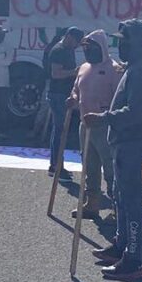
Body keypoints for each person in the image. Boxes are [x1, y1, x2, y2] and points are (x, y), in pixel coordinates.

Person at [84, 19, 142, 281]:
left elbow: (136, 112)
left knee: (131, 202)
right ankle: (121, 245)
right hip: (124, 143)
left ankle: (133, 258)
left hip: (134, 143)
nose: (121, 46)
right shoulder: (136, 66)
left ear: (137, 43)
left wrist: (104, 117)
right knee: (120, 197)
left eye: (125, 42)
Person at [67, 30, 121, 219]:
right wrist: (73, 99)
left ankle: (117, 208)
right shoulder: (83, 67)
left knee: (110, 167)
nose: (88, 51)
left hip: (105, 126)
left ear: (102, 48)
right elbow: (76, 89)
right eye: (86, 48)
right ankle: (92, 203)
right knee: (89, 164)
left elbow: (119, 99)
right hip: (85, 124)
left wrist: (105, 115)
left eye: (91, 48)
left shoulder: (113, 69)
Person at [47, 27, 84, 181]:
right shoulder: (58, 50)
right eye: (76, 42)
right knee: (59, 131)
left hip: (64, 94)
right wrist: (74, 72)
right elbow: (56, 73)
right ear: (69, 36)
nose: (76, 46)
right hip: (57, 94)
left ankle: (57, 164)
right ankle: (56, 167)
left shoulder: (68, 49)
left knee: (61, 130)